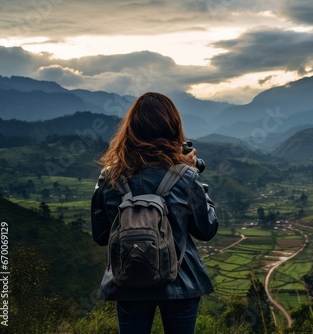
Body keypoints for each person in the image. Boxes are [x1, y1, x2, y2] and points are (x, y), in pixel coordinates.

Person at [91, 92, 219, 334]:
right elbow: (207, 229)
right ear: (172, 128)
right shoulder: (186, 175)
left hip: (128, 281)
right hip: (181, 281)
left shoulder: (109, 177)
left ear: (131, 129)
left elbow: (101, 235)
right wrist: (194, 177)